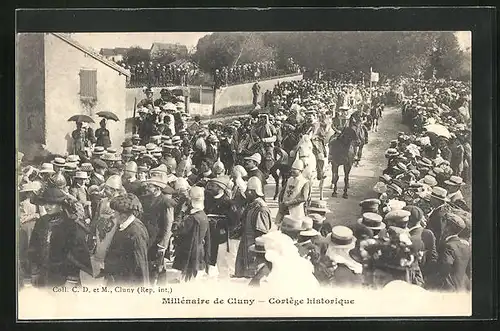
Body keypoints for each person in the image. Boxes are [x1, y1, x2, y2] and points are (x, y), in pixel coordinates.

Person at [28, 185, 92, 287]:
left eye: (51, 204)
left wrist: (72, 279)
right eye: (45, 203)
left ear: (60, 205)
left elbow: (77, 255)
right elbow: (34, 247)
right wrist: (34, 272)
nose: (47, 207)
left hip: (64, 276)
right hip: (43, 274)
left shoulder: (71, 225)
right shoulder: (41, 222)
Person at [104, 194, 149, 285]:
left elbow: (140, 266)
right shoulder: (123, 226)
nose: (113, 215)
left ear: (123, 215)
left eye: (115, 212)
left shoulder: (136, 233)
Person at [234, 177, 272, 278]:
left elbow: (261, 234)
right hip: (246, 243)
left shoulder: (261, 209)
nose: (246, 193)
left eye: (248, 190)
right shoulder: (252, 206)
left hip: (253, 247)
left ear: (253, 192)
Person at [172, 186, 211, 281]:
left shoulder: (192, 218)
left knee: (186, 281)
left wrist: (181, 212)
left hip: (189, 253)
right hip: (198, 251)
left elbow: (175, 229)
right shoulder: (203, 215)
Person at [433, 213, 471, 292]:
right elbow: (469, 270)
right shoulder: (466, 247)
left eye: (444, 223)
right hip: (462, 287)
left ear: (448, 228)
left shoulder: (448, 246)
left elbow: (444, 268)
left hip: (448, 288)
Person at [275, 159, 310, 225]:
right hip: (284, 208)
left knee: (294, 227)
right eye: (292, 169)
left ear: (301, 171)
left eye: (295, 169)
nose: (292, 171)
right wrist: (280, 202)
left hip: (295, 210)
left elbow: (304, 198)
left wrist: (289, 203)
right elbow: (282, 192)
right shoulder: (289, 179)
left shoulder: (305, 182)